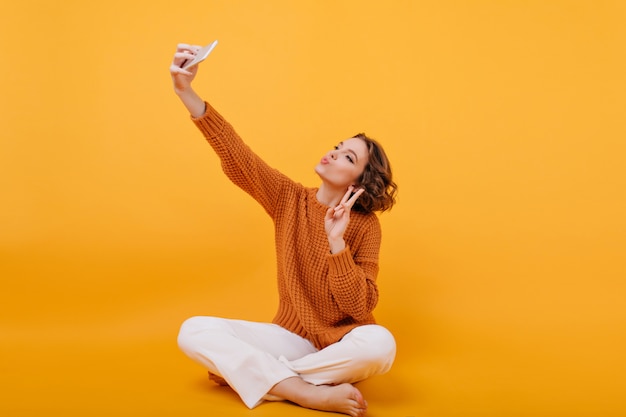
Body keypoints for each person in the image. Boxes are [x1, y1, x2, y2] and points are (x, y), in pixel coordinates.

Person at [170, 43, 398, 417]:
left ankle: (258, 377)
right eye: (339, 147)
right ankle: (307, 392)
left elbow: (360, 308)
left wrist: (337, 243)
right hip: (287, 338)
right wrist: (186, 91)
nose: (334, 153)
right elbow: (237, 155)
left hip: (341, 344)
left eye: (348, 157)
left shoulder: (365, 227)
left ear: (361, 180)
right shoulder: (288, 198)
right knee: (193, 330)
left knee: (381, 345)